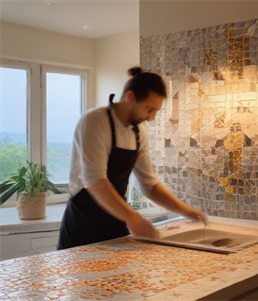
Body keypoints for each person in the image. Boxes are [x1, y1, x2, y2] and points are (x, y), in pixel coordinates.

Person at [57, 66, 207, 250]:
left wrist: (187, 211)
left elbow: (150, 185)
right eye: (149, 110)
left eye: (155, 112)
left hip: (115, 222)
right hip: (82, 225)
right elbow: (95, 182)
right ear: (130, 97)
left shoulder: (138, 132)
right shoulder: (95, 121)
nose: (151, 118)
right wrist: (134, 218)